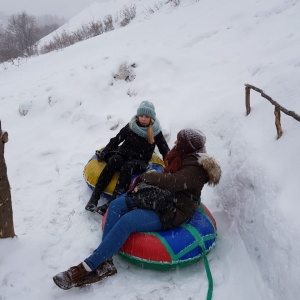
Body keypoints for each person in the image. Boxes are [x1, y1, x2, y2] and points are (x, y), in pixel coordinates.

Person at [53, 128, 221, 290]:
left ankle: (86, 268)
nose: (175, 141)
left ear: (188, 145)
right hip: (162, 197)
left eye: (180, 140)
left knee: (127, 221)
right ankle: (105, 262)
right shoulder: (183, 156)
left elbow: (172, 182)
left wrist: (148, 176)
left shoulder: (196, 169)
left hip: (172, 210)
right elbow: (167, 179)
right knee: (116, 205)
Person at [85, 100, 170, 214]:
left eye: (146, 116)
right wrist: (105, 151)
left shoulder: (155, 131)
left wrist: (170, 164)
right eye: (141, 115)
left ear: (152, 118)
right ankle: (95, 197)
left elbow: (164, 149)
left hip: (139, 160)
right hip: (124, 153)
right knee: (115, 160)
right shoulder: (132, 126)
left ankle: (113, 202)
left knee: (127, 167)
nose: (143, 118)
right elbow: (117, 139)